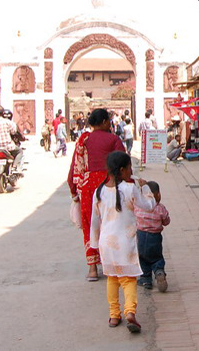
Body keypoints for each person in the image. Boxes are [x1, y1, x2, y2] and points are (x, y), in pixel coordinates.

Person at [90, 151, 156, 333]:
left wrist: (94, 243)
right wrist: (145, 188)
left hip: (106, 242)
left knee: (112, 278)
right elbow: (149, 206)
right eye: (129, 168)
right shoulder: (130, 188)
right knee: (128, 279)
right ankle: (130, 312)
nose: (131, 171)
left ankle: (114, 314)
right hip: (125, 242)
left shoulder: (99, 191)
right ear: (122, 170)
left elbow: (94, 220)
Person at [68, 108, 126, 281]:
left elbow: (74, 168)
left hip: (88, 187)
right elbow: (123, 161)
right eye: (108, 120)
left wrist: (74, 190)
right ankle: (113, 264)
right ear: (103, 122)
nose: (110, 123)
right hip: (109, 184)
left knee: (90, 226)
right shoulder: (113, 139)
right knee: (113, 223)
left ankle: (92, 269)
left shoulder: (83, 140)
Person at [135, 180, 171, 292]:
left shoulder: (138, 207)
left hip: (141, 236)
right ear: (158, 194)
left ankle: (146, 279)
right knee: (157, 257)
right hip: (155, 237)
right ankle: (159, 271)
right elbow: (166, 221)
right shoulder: (160, 208)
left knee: (143, 258)